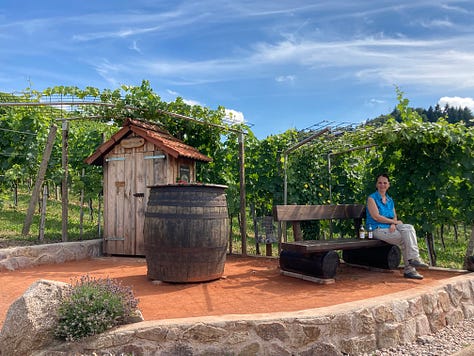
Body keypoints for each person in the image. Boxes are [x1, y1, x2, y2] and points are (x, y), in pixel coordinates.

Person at [366, 173, 429, 279]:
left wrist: (393, 223)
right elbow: (376, 217)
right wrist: (394, 222)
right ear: (376, 185)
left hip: (390, 227)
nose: (382, 185)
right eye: (380, 183)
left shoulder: (390, 200)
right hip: (377, 229)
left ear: (388, 185)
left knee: (409, 227)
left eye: (385, 183)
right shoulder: (371, 199)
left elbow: (394, 217)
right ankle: (410, 268)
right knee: (406, 239)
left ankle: (414, 259)